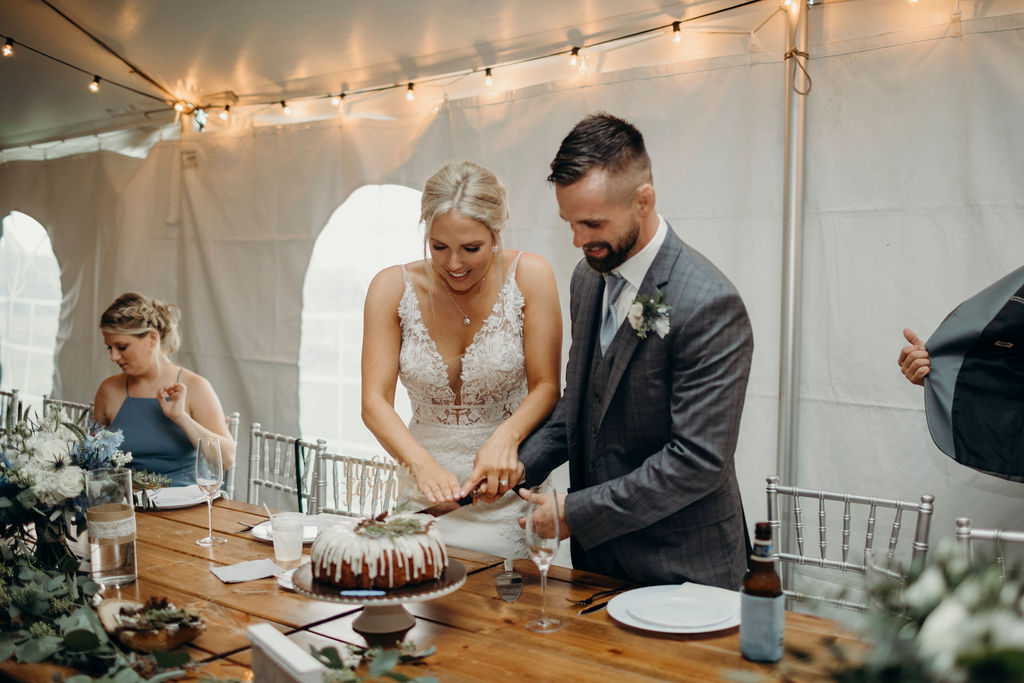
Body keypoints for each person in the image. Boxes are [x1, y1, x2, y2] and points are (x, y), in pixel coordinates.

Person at [466, 113, 754, 589]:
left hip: (684, 569)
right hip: (598, 565)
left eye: (592, 223)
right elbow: (578, 407)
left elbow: (697, 461)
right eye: (569, 223)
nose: (579, 241)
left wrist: (573, 512)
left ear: (644, 201)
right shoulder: (587, 278)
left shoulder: (710, 303)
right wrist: (515, 467)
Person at [361, 160, 562, 558]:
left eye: (472, 248)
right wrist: (421, 466)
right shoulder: (390, 287)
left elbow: (547, 386)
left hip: (506, 487)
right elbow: (374, 402)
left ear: (496, 233)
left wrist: (507, 437)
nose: (454, 264)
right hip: (424, 493)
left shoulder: (530, 276)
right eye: (439, 247)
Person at [93, 292, 235, 486]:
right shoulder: (108, 390)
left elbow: (226, 459)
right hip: (129, 507)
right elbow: (93, 462)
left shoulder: (195, 386)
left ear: (152, 339)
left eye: (122, 347)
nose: (114, 357)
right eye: (110, 348)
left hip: (188, 508)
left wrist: (181, 418)